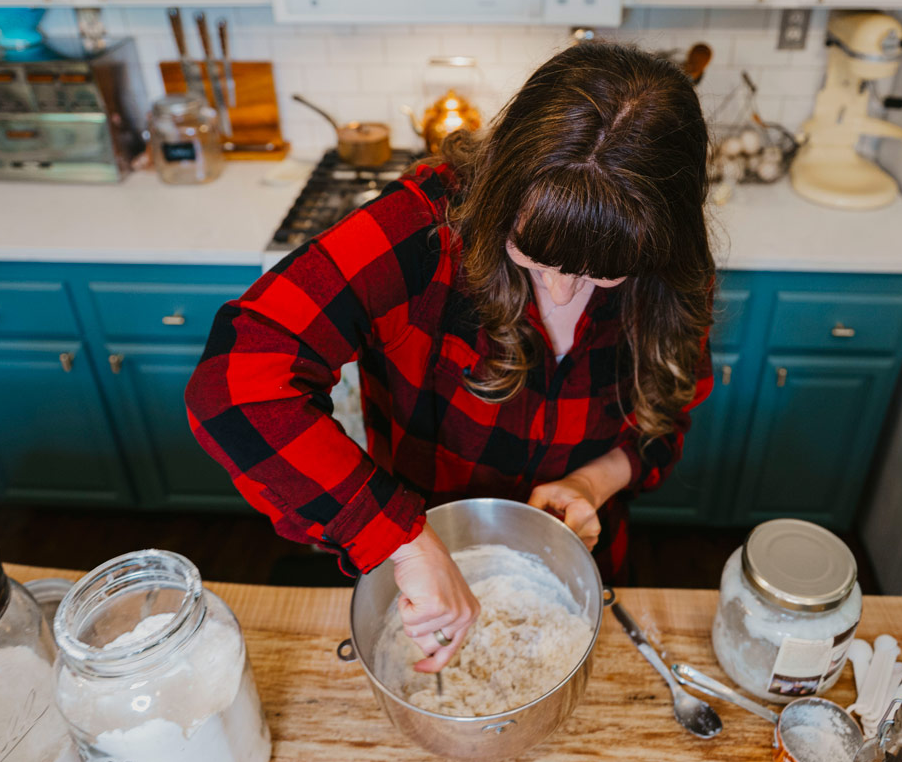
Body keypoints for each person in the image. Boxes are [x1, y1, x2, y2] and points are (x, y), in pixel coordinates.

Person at [185, 41, 714, 673]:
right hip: (419, 565)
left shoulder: (664, 260)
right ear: (502, 190)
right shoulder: (421, 230)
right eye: (535, 258)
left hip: (584, 569)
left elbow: (663, 423)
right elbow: (235, 383)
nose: (561, 290)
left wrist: (591, 483)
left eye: (604, 276)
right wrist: (403, 544)